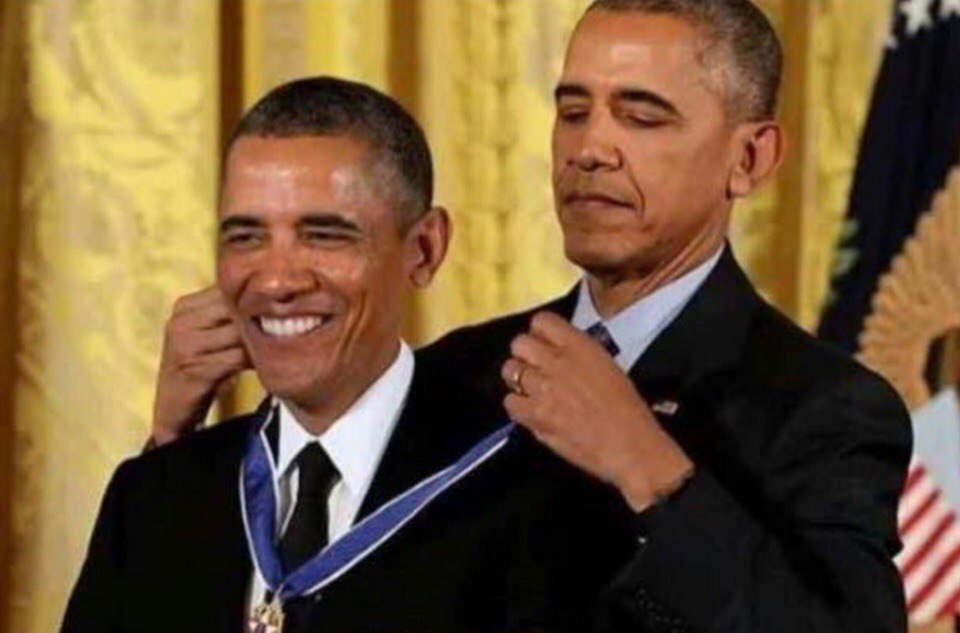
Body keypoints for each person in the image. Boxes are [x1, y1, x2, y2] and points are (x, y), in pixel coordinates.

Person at [130, 1, 913, 632]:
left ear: (750, 158)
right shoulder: (461, 367)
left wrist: (651, 470)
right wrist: (172, 447)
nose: (590, 149)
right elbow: (310, 589)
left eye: (641, 116)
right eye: (573, 111)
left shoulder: (827, 408)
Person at [64, 77, 638, 633]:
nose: (276, 281)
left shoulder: (535, 493)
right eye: (246, 237)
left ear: (423, 250)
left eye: (323, 235)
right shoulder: (155, 495)